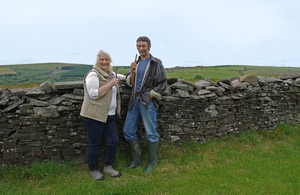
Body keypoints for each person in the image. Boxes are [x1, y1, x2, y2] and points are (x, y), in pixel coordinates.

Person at [123, 36, 167, 173]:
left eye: (143, 46)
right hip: (134, 101)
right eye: (139, 46)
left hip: (147, 102)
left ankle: (152, 163)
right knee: (128, 130)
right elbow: (130, 82)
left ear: (149, 46)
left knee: (150, 133)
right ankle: (137, 160)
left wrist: (152, 94)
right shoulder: (136, 63)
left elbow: (163, 83)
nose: (141, 48)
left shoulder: (156, 63)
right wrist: (132, 72)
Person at [80, 50, 126, 180]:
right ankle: (94, 169)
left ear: (109, 61)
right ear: (97, 61)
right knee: (95, 143)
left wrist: (132, 72)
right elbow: (93, 94)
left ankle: (108, 167)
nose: (104, 62)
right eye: (102, 60)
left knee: (113, 142)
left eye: (107, 60)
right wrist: (110, 84)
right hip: (94, 115)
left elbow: (124, 78)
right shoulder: (93, 75)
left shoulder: (110, 74)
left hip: (109, 115)